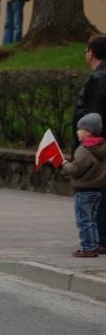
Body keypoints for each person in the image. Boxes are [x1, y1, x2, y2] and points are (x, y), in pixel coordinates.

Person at [72, 34, 106, 251]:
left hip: (96, 145)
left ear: (91, 53)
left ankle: (97, 240)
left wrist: (87, 138)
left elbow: (94, 114)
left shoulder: (99, 78)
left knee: (97, 195)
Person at [62, 113, 106, 257]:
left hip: (84, 191)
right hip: (98, 190)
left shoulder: (84, 150)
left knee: (83, 220)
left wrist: (64, 164)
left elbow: (75, 170)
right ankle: (95, 245)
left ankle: (88, 248)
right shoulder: (102, 147)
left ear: (87, 131)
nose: (76, 132)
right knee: (92, 219)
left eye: (79, 129)